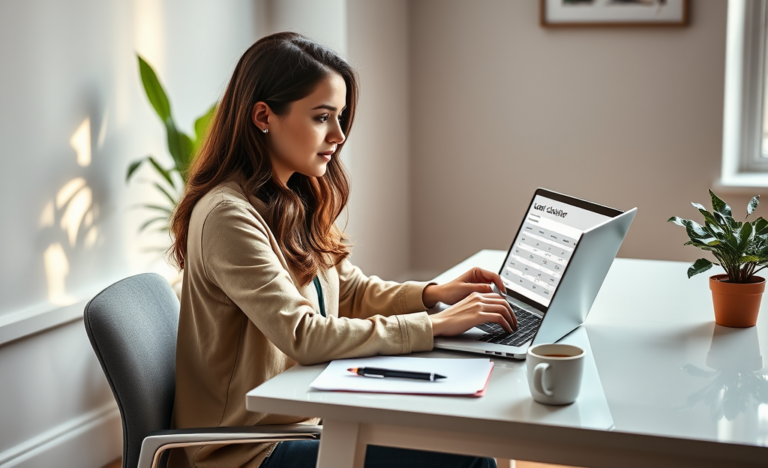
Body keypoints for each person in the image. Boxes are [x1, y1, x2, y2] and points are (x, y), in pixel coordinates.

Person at [167, 32, 517, 468]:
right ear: (263, 116)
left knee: (466, 437)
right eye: (321, 117)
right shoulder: (226, 215)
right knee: (468, 460)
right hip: (247, 452)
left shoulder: (291, 196)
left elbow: (349, 293)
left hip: (307, 419)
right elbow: (304, 335)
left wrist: (434, 296)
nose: (338, 134)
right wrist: (434, 326)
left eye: (340, 116)